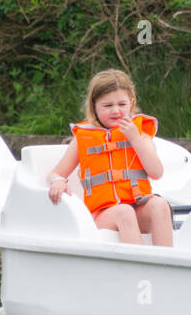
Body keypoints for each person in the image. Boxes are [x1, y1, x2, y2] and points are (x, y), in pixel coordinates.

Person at [47, 69, 174, 247]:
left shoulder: (141, 134)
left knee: (160, 205)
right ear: (94, 106)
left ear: (131, 103)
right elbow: (55, 173)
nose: (116, 111)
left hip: (137, 206)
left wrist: (135, 139)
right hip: (102, 216)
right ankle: (143, 267)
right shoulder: (83, 138)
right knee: (124, 212)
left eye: (122, 104)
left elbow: (156, 172)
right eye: (107, 106)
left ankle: (167, 264)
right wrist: (58, 181)